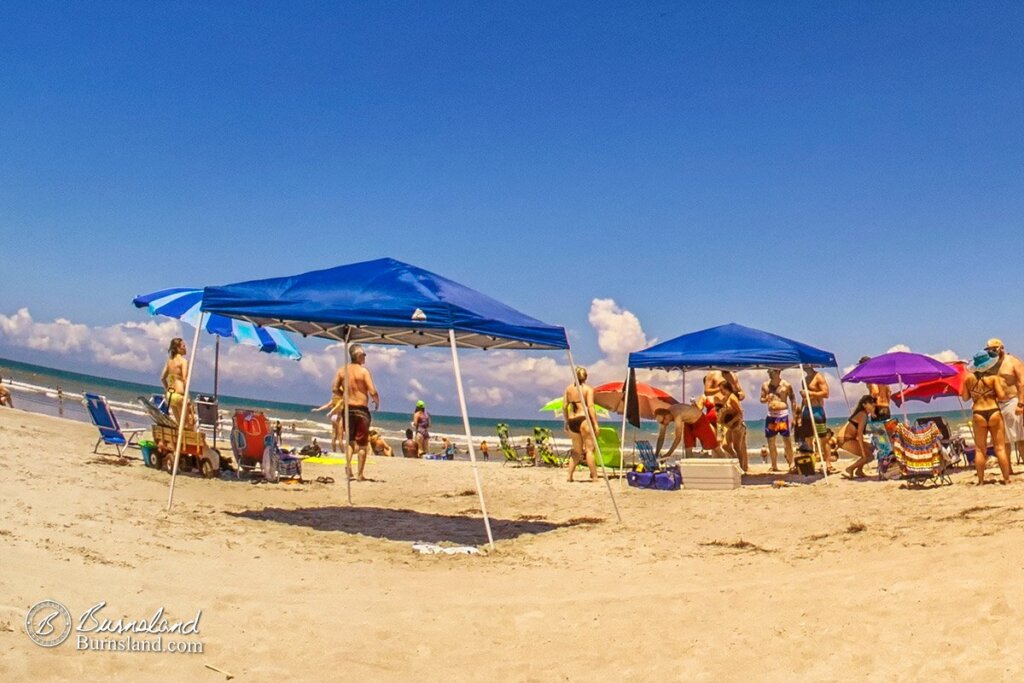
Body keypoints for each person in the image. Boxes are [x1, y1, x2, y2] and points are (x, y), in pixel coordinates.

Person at [962, 350, 1012, 485]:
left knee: (979, 449)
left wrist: (975, 394)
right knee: (1000, 448)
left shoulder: (968, 378)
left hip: (978, 413)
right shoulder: (993, 378)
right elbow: (1002, 396)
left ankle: (981, 480)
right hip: (994, 411)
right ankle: (1006, 479)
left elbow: (965, 398)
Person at [343, 344, 380, 481]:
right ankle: (359, 474)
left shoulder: (343, 371)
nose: (365, 357)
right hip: (361, 410)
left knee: (350, 442)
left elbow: (335, 388)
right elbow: (372, 391)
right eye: (364, 355)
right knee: (363, 444)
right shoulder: (364, 371)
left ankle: (348, 466)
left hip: (347, 409)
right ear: (358, 356)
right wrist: (376, 401)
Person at [986, 339, 1024, 467]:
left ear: (1001, 348)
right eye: (989, 350)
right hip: (997, 404)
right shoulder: (990, 364)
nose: (992, 352)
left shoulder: (1013, 361)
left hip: (1013, 401)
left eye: (994, 349)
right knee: (1003, 440)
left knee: (1020, 437)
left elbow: (1021, 382)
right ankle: (1008, 469)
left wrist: (1021, 403)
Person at [795, 365, 833, 471]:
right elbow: (804, 398)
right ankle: (811, 463)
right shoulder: (804, 380)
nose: (804, 367)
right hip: (806, 410)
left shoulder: (818, 377)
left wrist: (810, 393)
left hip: (817, 410)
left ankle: (828, 464)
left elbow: (826, 393)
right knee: (808, 438)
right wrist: (799, 414)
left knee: (823, 438)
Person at [564, 366, 598, 482]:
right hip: (583, 419)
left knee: (576, 451)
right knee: (589, 450)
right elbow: (591, 407)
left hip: (572, 420)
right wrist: (595, 424)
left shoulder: (568, 389)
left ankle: (569, 476)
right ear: (586, 377)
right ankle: (594, 476)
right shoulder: (588, 389)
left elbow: (564, 407)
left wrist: (567, 421)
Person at [760, 369, 798, 472]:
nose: (769, 374)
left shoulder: (786, 385)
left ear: (778, 372)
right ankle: (774, 465)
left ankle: (791, 464)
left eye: (771, 372)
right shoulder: (765, 385)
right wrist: (766, 398)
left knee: (787, 440)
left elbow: (793, 400)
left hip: (782, 415)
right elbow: (761, 399)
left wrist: (794, 417)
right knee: (771, 441)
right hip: (771, 416)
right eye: (768, 372)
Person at [653, 402, 718, 459]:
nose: (663, 424)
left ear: (666, 416)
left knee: (714, 446)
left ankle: (725, 462)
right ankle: (691, 469)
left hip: (699, 419)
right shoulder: (664, 417)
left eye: (662, 422)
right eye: (660, 423)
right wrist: (656, 454)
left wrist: (668, 454)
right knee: (688, 448)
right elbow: (661, 437)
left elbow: (678, 438)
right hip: (688, 422)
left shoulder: (677, 415)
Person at [838, 395, 878, 479]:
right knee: (869, 456)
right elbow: (859, 434)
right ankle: (850, 469)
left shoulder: (863, 414)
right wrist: (863, 452)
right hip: (845, 440)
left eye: (873, 402)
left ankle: (859, 470)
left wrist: (874, 431)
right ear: (864, 405)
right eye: (870, 403)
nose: (873, 404)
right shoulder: (863, 415)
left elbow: (860, 430)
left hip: (848, 439)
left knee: (871, 448)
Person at [160, 338, 194, 429]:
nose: (185, 348)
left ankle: (180, 442)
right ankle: (185, 442)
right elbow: (185, 379)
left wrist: (167, 389)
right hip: (179, 395)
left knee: (180, 424)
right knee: (188, 424)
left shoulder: (169, 361)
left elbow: (162, 378)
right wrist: (189, 397)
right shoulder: (183, 361)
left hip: (170, 395)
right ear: (178, 348)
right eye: (183, 346)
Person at [718, 382, 749, 471]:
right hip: (730, 426)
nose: (721, 391)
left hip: (737, 425)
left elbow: (740, 412)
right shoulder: (726, 398)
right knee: (725, 445)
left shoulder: (732, 397)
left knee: (737, 447)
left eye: (721, 389)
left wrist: (732, 422)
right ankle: (736, 461)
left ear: (726, 388)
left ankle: (741, 468)